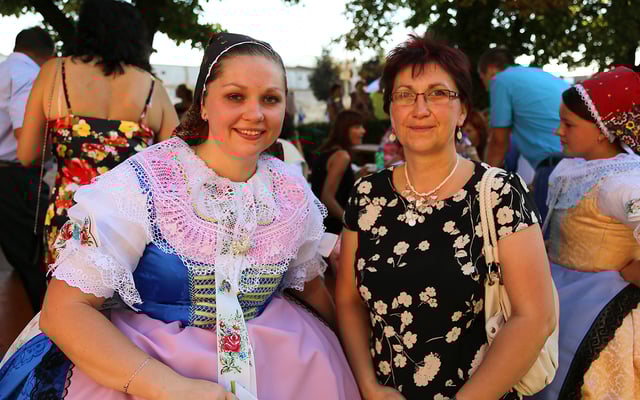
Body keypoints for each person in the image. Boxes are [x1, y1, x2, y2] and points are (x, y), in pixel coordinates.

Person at [0, 31, 360, 400]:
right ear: (203, 104)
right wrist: (169, 386)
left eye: (270, 99)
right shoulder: (142, 183)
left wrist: (361, 364)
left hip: (284, 362)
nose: (255, 114)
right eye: (235, 96)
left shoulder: (290, 188)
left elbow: (309, 286)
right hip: (149, 362)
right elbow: (64, 310)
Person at [336, 33, 556, 399]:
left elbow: (535, 317)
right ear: (391, 111)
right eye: (404, 95)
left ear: (463, 110)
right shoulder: (367, 195)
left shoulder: (500, 193)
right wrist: (369, 386)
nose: (419, 108)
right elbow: (348, 301)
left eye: (438, 93)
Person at [16, 0, 179, 267]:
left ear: (84, 30)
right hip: (129, 227)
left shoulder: (55, 72)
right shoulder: (152, 88)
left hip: (69, 220)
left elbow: (27, 155)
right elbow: (176, 167)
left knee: (65, 293)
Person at [531, 67, 640, 400]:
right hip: (560, 295)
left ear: (603, 131)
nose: (558, 131)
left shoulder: (623, 183)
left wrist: (630, 273)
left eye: (569, 124)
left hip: (604, 307)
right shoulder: (571, 168)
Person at [0, 27, 54, 312]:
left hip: (9, 174)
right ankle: (44, 332)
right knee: (35, 265)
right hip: (13, 177)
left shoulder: (5, 70)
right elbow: (27, 142)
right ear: (49, 55)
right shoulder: (29, 75)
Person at [478, 48, 567, 171]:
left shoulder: (499, 80)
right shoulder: (537, 74)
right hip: (580, 158)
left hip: (555, 164)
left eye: (482, 78)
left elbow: (499, 142)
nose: (485, 87)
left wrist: (484, 177)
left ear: (491, 70)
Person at [311, 110, 366, 235]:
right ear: (345, 130)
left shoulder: (329, 150)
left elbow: (331, 184)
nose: (363, 131)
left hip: (319, 223)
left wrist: (356, 176)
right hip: (332, 228)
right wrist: (350, 223)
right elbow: (327, 198)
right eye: (357, 127)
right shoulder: (342, 156)